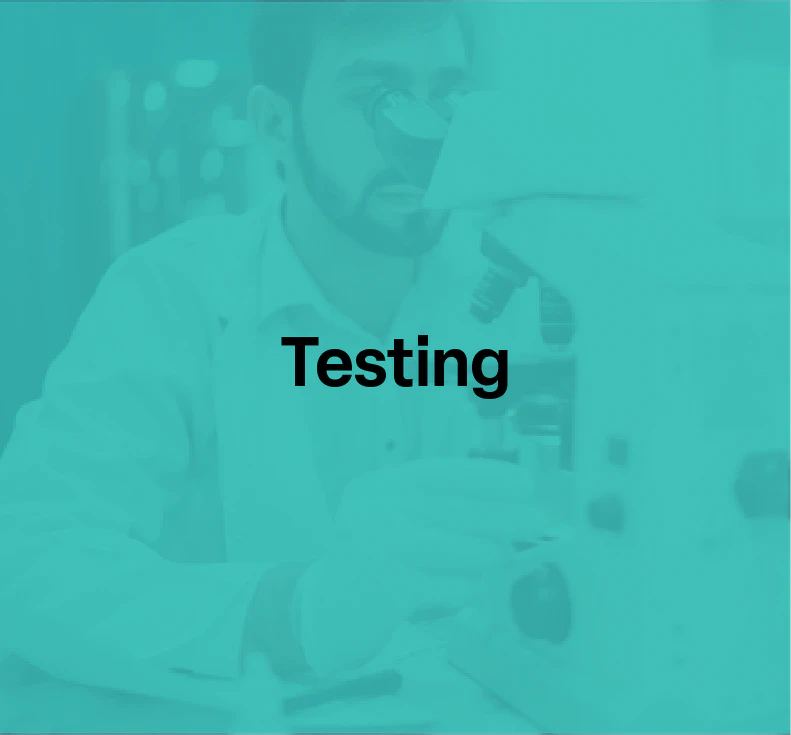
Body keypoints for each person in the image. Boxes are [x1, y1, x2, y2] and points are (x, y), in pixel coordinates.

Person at [0, 1, 551, 725]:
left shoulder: (525, 293)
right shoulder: (173, 296)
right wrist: (299, 612)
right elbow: (27, 565)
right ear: (272, 122)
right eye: (377, 99)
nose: (421, 138)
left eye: (445, 96)